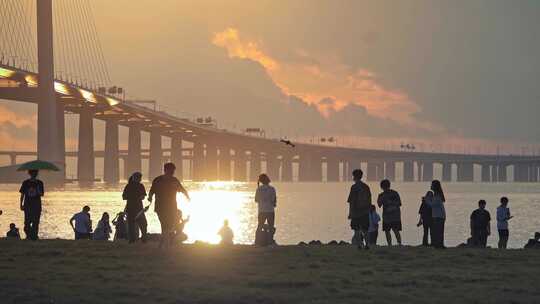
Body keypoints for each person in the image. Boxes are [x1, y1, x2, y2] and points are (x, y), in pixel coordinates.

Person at [148, 162, 191, 249]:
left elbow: (182, 190)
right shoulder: (158, 180)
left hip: (171, 207)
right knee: (165, 225)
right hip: (161, 207)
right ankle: (166, 245)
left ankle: (162, 244)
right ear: (165, 170)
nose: (172, 172)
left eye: (173, 171)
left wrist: (187, 197)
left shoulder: (174, 180)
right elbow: (151, 191)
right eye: (171, 170)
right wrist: (150, 198)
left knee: (167, 226)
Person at [347, 169, 372, 249]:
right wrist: (368, 210)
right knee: (365, 230)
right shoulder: (366, 187)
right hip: (365, 212)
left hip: (356, 212)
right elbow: (369, 200)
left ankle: (359, 245)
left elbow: (351, 201)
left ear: (354, 177)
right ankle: (367, 244)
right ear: (361, 176)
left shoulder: (354, 187)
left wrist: (350, 213)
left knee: (356, 230)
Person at [122, 172, 148, 243]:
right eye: (139, 178)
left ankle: (132, 240)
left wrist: (131, 197)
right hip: (138, 208)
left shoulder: (128, 186)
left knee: (131, 225)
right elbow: (143, 197)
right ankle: (143, 238)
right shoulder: (140, 186)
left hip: (131, 207)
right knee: (143, 224)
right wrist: (137, 197)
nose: (139, 179)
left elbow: (124, 197)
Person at [19, 170, 44, 240]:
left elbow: (41, 194)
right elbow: (22, 194)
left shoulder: (40, 183)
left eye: (35, 173)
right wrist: (21, 204)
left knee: (36, 222)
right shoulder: (25, 183)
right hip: (28, 205)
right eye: (33, 173)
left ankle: (34, 237)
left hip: (37, 205)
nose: (34, 174)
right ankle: (30, 235)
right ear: (30, 174)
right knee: (27, 223)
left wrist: (38, 188)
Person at [377, 179, 402, 246]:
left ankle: (394, 244)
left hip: (392, 216)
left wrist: (391, 203)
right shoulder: (383, 195)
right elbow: (379, 204)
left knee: (392, 231)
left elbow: (399, 203)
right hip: (390, 216)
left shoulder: (394, 193)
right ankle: (396, 244)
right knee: (391, 231)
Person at [254, 174, 277, 246]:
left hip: (261, 210)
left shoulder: (259, 189)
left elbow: (256, 200)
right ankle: (270, 241)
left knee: (260, 226)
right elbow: (273, 200)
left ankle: (257, 241)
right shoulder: (272, 189)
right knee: (271, 226)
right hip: (270, 210)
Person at [427, 180, 446, 249]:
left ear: (435, 186)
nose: (430, 186)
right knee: (438, 231)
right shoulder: (436, 194)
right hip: (438, 215)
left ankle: (439, 245)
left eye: (432, 184)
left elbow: (432, 205)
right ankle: (439, 245)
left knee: (438, 232)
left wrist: (427, 200)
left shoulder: (437, 195)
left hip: (439, 216)